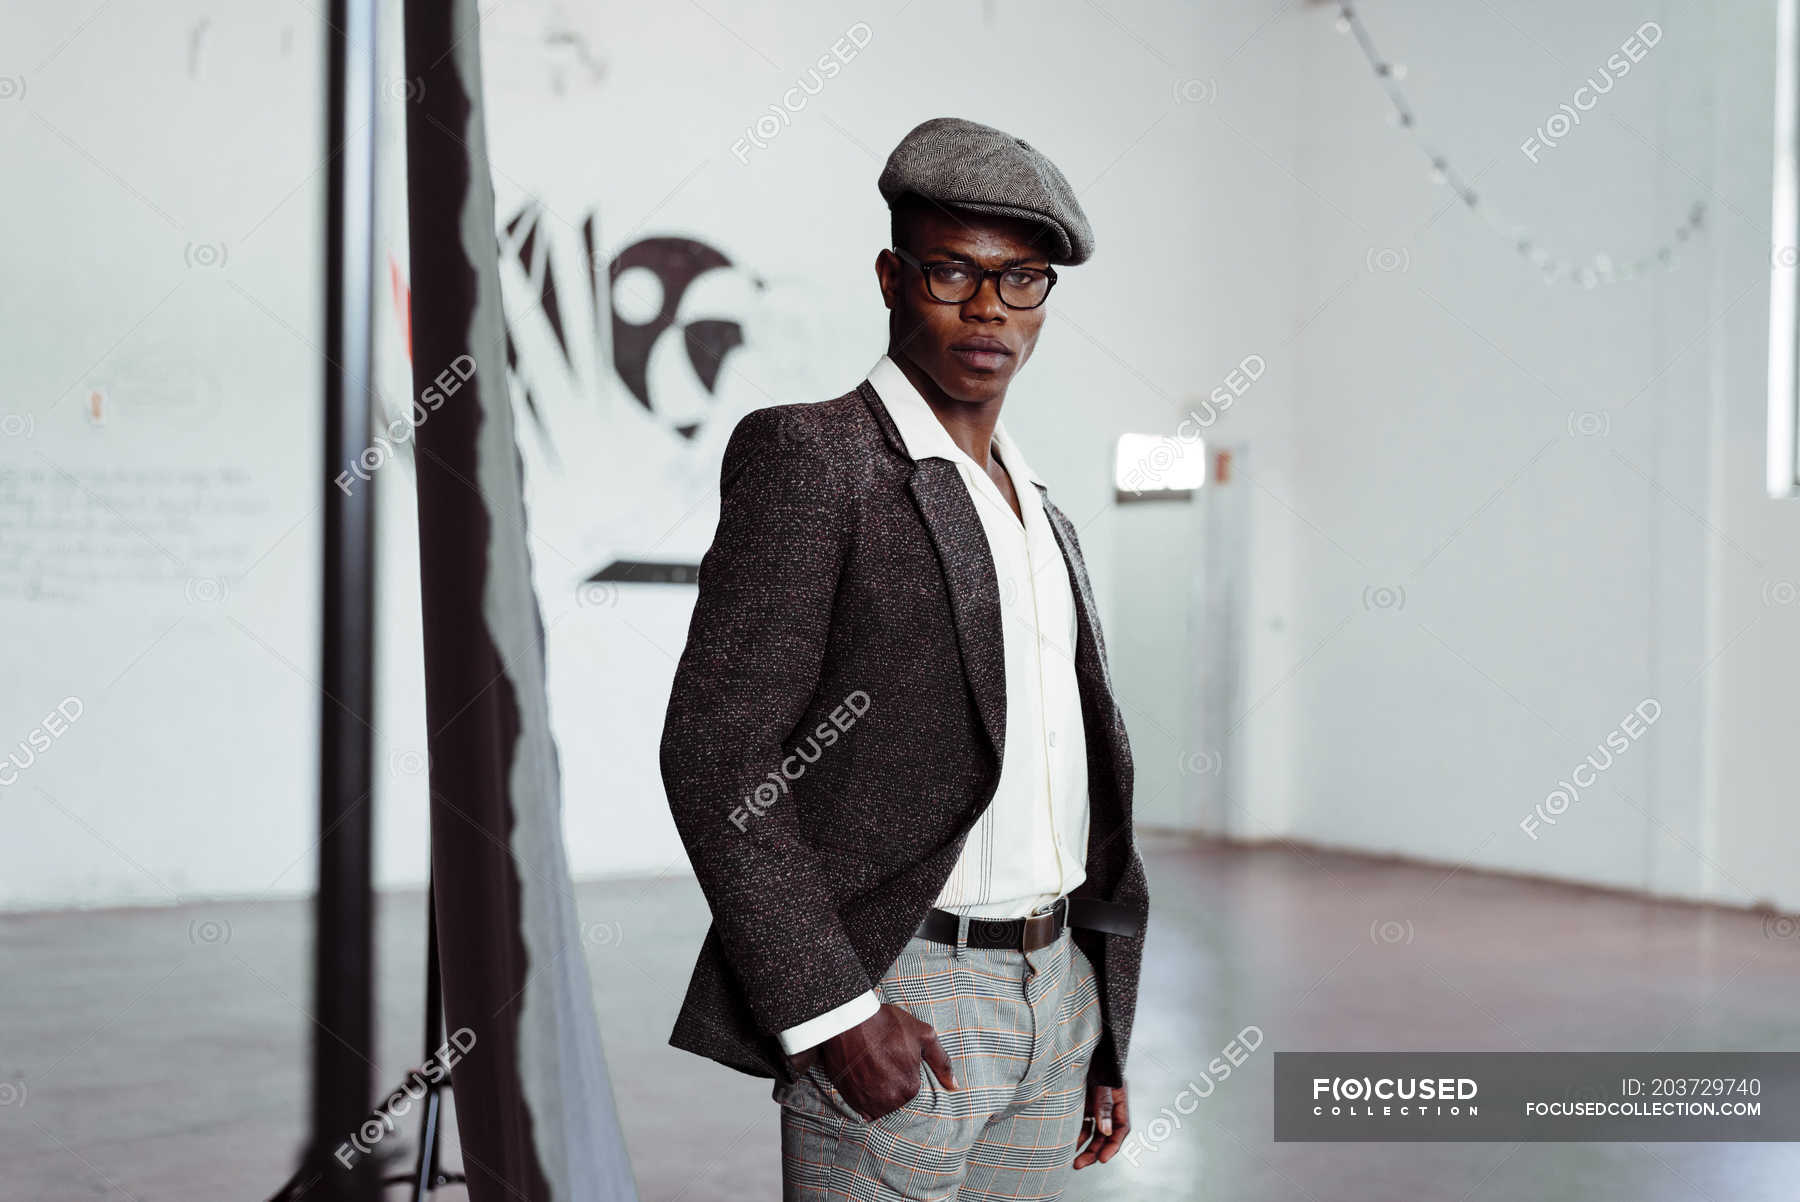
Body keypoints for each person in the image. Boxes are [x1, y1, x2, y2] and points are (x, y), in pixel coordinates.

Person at [659, 115, 1150, 1200]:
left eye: (1021, 281)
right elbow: (716, 753)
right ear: (891, 278)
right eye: (953, 273)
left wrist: (1096, 1020)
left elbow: (1066, 776)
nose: (989, 309)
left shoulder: (1041, 510)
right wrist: (834, 1009)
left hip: (1054, 991)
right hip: (903, 987)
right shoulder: (814, 457)